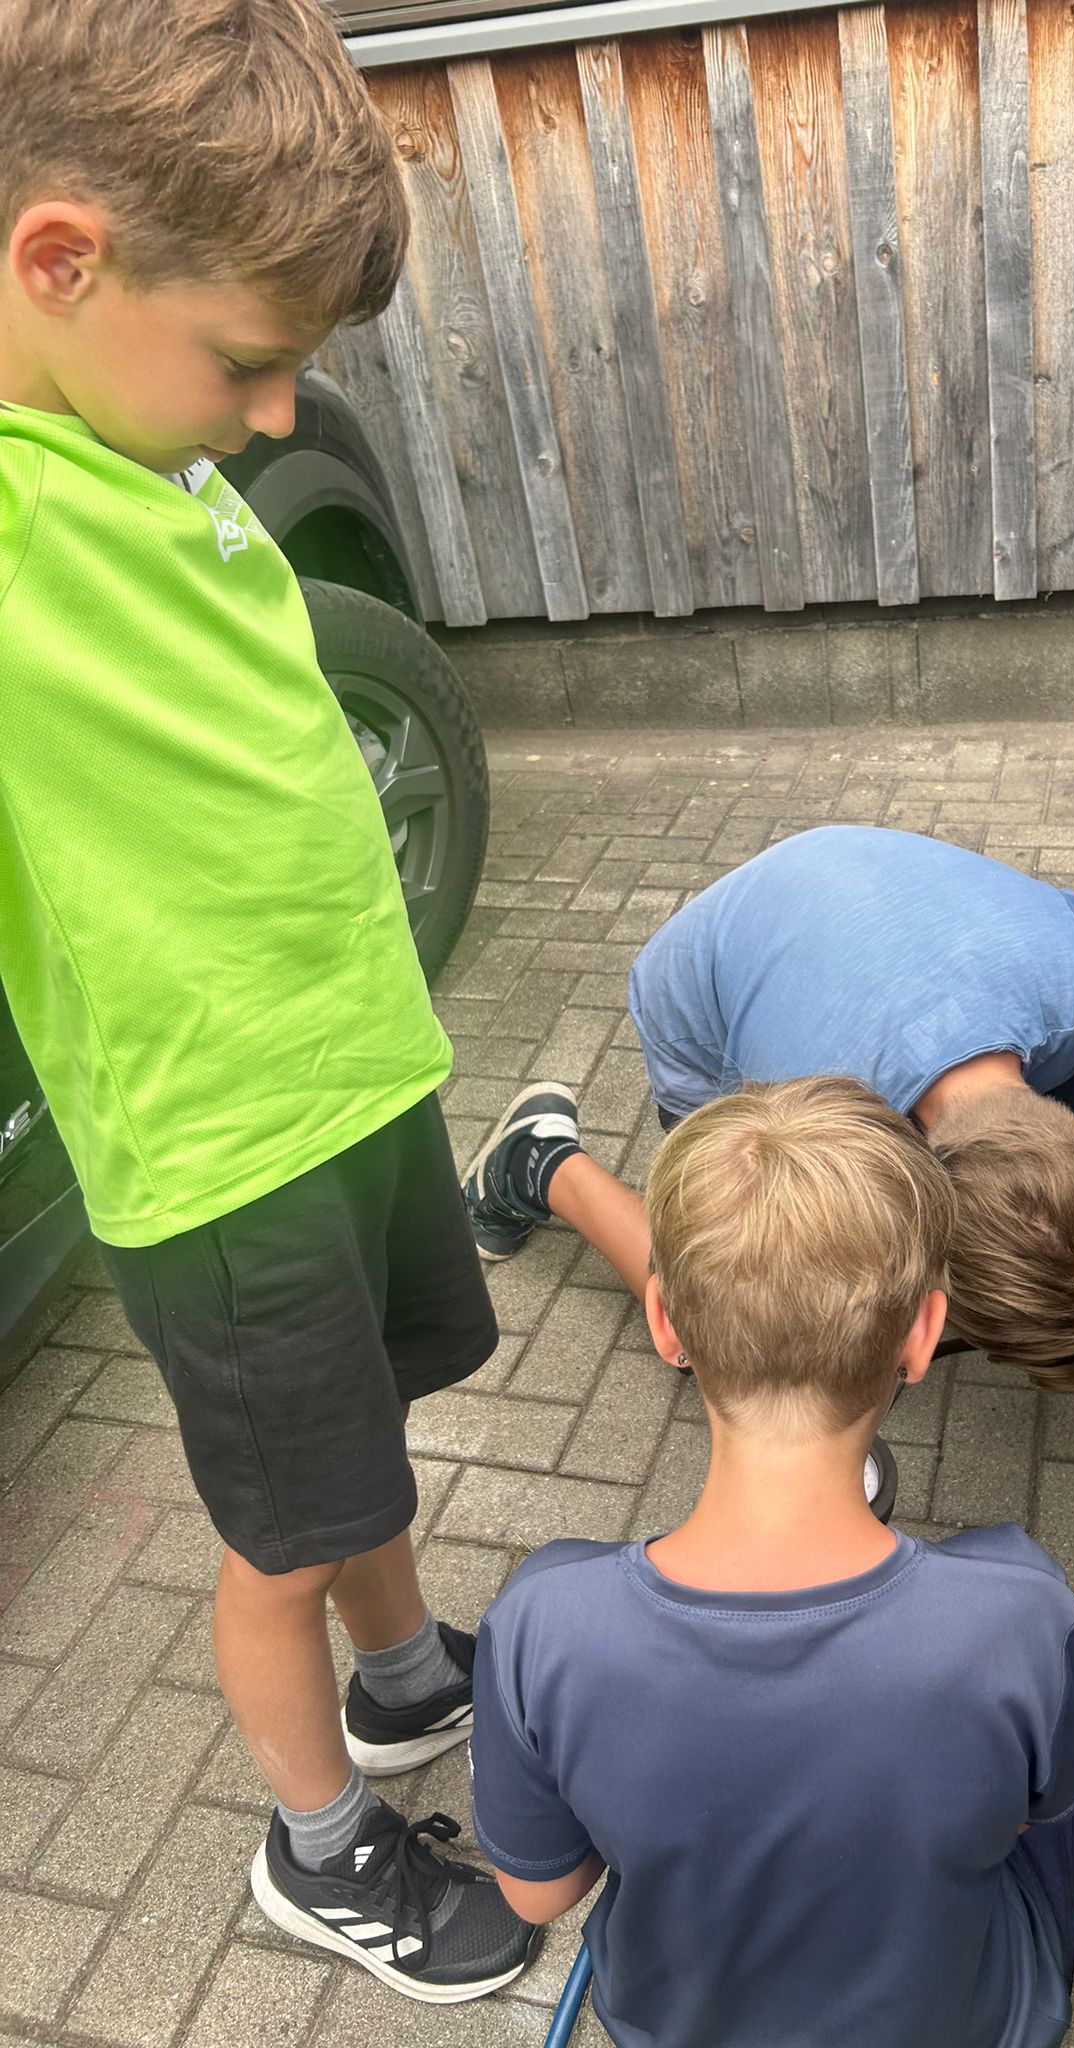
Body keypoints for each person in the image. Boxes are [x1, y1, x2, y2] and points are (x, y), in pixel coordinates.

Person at [0, 0, 533, 2001]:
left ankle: (398, 1681)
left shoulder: (141, 443)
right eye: (245, 360)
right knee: (280, 1530)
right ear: (60, 261)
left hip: (346, 1076)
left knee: (363, 1434)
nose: (275, 413)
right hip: (221, 1153)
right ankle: (321, 1847)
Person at [470, 1077, 1074, 2048]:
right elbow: (1022, 1818)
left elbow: (540, 1894)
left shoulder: (544, 1621)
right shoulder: (1016, 1611)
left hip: (676, 2022)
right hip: (966, 2022)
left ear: (665, 1320)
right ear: (922, 1335)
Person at [465, 826, 1074, 1388]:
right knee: (739, 1326)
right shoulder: (823, 1126)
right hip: (701, 981)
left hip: (849, 893)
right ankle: (540, 1161)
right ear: (924, 1268)